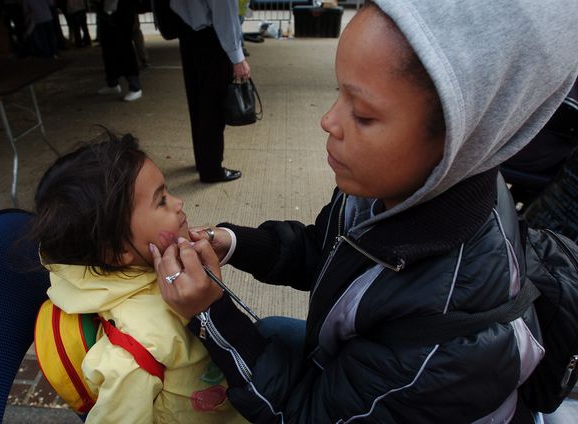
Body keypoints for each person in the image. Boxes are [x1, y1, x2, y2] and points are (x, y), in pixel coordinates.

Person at [150, 1, 578, 422]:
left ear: (461, 138)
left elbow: (306, 415)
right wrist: (235, 244)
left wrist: (211, 313)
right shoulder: (391, 191)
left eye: (364, 113)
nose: (328, 121)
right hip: (359, 376)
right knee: (271, 333)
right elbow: (324, 249)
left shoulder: (443, 342)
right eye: (338, 93)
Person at [30, 132, 247, 423]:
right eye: (161, 201)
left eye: (168, 192)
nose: (179, 202)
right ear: (118, 252)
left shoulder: (159, 273)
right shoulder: (134, 352)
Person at [170, 0, 250, 183]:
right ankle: (211, 169)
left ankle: (203, 160)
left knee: (198, 104)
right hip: (212, 40)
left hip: (189, 33)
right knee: (213, 108)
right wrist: (237, 58)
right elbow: (225, 16)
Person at [97, 0, 142, 101]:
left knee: (124, 49)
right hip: (106, 9)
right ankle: (112, 83)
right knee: (108, 51)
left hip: (122, 10)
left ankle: (135, 87)